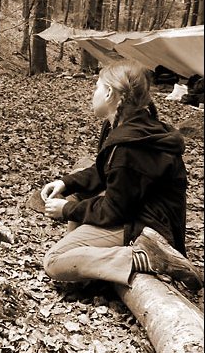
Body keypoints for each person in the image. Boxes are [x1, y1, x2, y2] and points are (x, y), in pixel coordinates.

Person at [40, 61, 202, 291]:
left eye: (97, 87)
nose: (93, 93)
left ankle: (143, 257)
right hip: (139, 214)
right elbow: (105, 171)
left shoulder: (130, 145)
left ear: (109, 93)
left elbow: (114, 210)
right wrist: (65, 183)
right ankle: (86, 267)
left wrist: (66, 210)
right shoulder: (125, 125)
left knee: (54, 261)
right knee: (78, 191)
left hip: (149, 229)